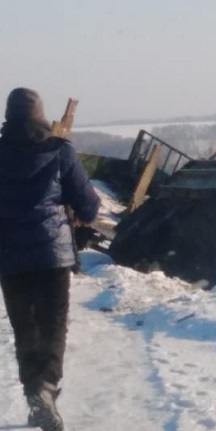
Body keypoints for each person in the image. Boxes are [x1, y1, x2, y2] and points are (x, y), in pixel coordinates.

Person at [0, 88, 100, 431]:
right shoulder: (60, 152)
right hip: (52, 257)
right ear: (40, 115)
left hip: (10, 257)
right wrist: (81, 214)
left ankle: (34, 395)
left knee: (25, 328)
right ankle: (45, 388)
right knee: (53, 325)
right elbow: (88, 203)